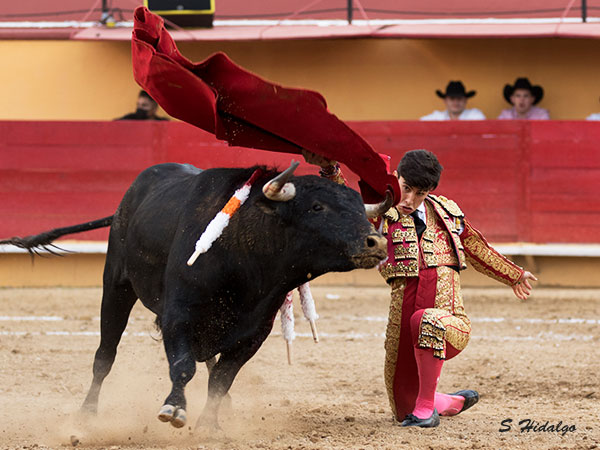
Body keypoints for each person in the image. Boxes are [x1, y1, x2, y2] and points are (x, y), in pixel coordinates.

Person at [304, 149, 537, 428]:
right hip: (402, 315)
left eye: (420, 193)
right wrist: (331, 170)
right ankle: (444, 402)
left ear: (430, 192)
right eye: (406, 189)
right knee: (403, 410)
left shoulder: (446, 212)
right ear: (397, 178)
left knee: (427, 321)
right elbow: (348, 207)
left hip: (449, 322)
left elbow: (475, 247)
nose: (411, 200)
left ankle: (428, 409)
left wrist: (514, 274)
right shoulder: (383, 210)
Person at [420, 81, 485, 121]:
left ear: (465, 100)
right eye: (452, 98)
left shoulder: (475, 115)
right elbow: (419, 125)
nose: (455, 102)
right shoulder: (437, 117)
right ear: (445, 101)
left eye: (459, 98)